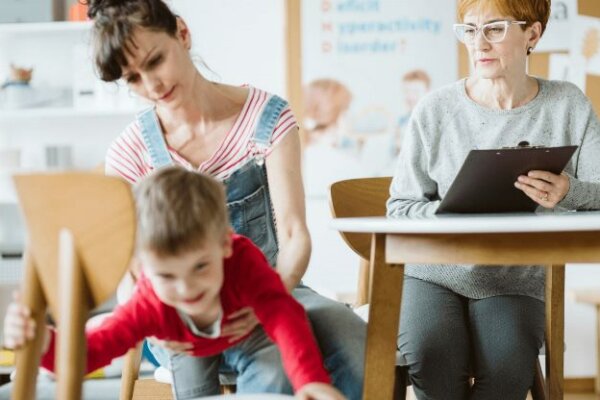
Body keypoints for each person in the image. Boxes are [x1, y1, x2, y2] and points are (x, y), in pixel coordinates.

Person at [86, 0, 366, 398]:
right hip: (181, 314)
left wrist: (270, 298)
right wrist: (157, 323)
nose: (152, 86)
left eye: (155, 61)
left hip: (272, 289)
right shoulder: (130, 153)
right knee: (271, 369)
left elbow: (293, 232)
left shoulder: (266, 118)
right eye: (132, 78)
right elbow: (130, 274)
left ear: (182, 34)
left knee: (355, 344)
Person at [387, 0, 600, 398]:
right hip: (433, 273)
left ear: (532, 35)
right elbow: (400, 208)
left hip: (514, 278)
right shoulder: (435, 109)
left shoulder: (568, 104)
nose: (478, 43)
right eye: (469, 30)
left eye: (495, 29)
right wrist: (451, 213)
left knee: (506, 368)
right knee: (434, 357)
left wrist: (569, 190)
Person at [3, 167, 345, 400]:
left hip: (245, 333)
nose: (186, 289)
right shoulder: (150, 302)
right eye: (167, 275)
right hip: (182, 345)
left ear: (226, 244)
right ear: (143, 267)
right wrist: (39, 340)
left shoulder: (242, 261)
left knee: (272, 371)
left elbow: (284, 315)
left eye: (200, 266)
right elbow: (88, 354)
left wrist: (310, 379)